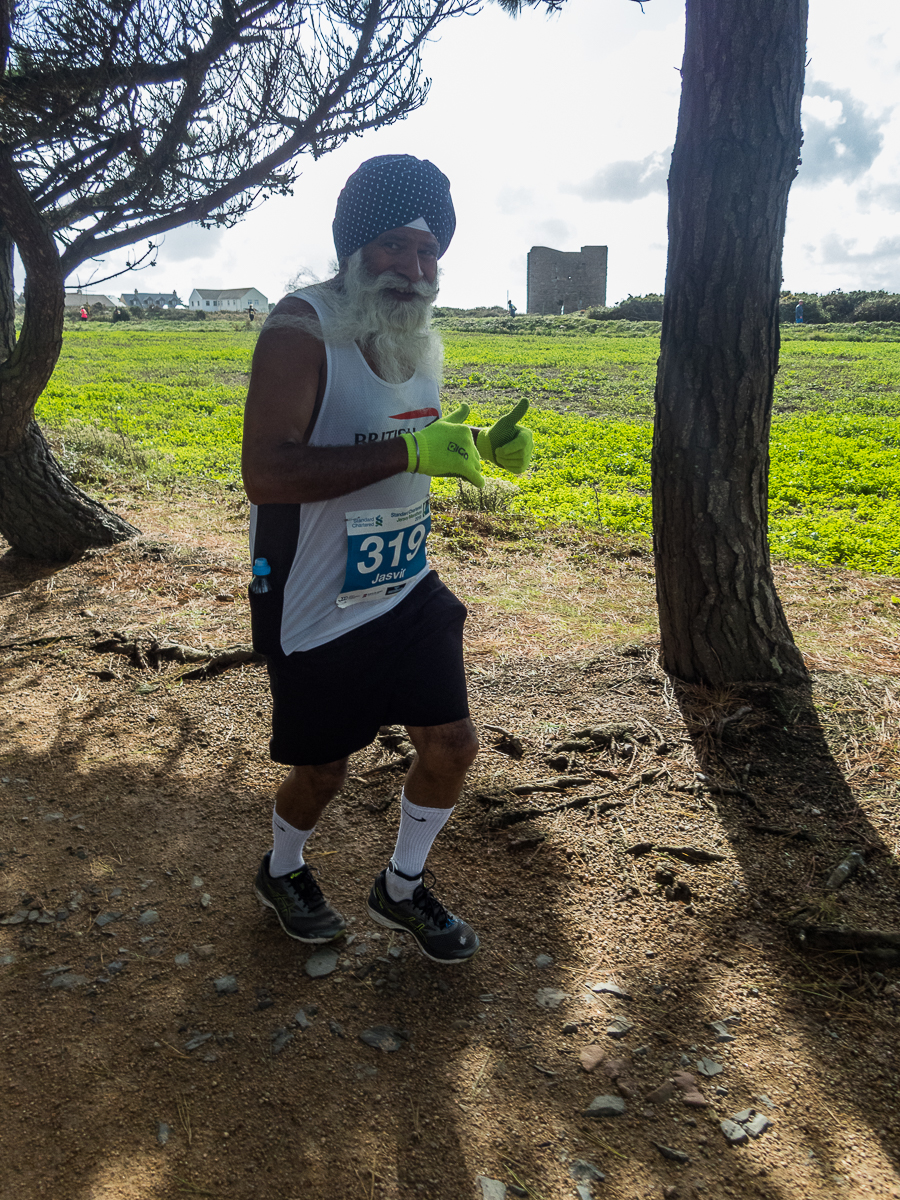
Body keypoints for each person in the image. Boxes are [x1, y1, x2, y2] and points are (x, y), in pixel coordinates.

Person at [241, 154, 533, 965]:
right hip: (315, 598)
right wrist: (412, 448)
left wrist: (477, 445)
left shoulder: (419, 339)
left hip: (406, 586)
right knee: (322, 770)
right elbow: (267, 472)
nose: (415, 268)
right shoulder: (302, 328)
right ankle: (282, 868)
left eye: (430, 250)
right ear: (355, 247)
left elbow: (406, 445)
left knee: (453, 745)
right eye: (396, 246)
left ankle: (399, 890)